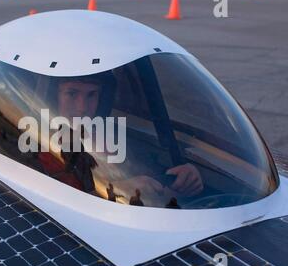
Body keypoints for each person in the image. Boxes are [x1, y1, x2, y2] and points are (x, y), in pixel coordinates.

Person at [39, 72, 203, 203]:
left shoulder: (114, 139)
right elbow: (50, 206)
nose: (82, 108)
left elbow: (151, 184)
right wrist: (117, 190)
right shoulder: (37, 143)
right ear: (54, 97)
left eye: (92, 95)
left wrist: (183, 182)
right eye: (72, 94)